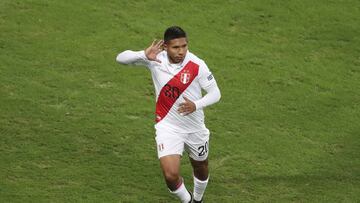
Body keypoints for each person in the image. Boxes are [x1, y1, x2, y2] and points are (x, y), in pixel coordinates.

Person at [116, 26, 221, 203]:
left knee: (201, 167)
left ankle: (198, 199)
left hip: (195, 128)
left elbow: (215, 93)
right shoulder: (155, 59)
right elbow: (120, 58)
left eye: (184, 46)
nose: (181, 51)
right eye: (176, 47)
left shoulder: (196, 65)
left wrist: (196, 105)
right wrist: (142, 54)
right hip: (168, 127)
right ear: (165, 46)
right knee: (171, 175)